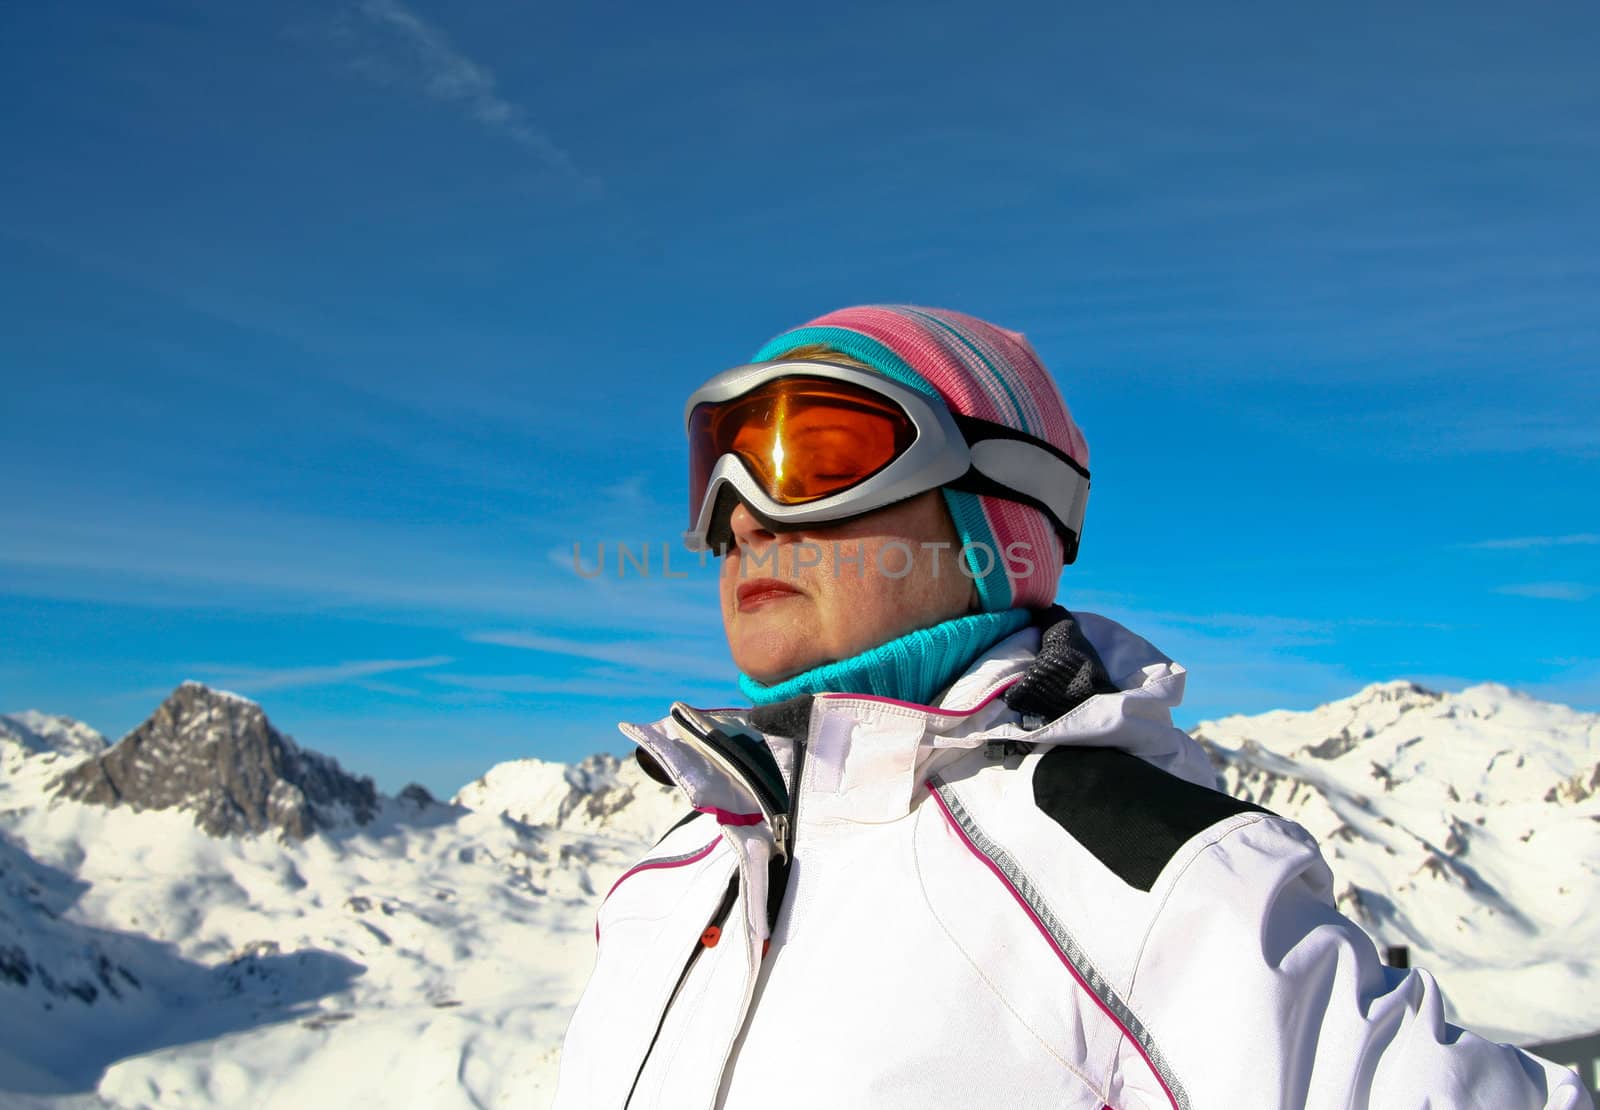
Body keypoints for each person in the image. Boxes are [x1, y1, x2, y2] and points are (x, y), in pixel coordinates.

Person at [553, 305, 1590, 1109]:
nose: (740, 515)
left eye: (812, 454)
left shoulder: (1148, 878)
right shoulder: (675, 868)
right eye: (716, 471)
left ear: (990, 509)